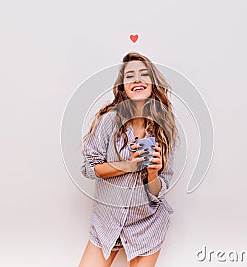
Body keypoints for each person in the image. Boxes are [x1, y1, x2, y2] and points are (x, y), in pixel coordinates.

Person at [79, 52, 179, 267]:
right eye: (130, 76)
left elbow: (158, 192)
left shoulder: (164, 128)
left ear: (152, 84)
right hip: (108, 223)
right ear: (123, 86)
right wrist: (128, 165)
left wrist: (153, 173)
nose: (137, 80)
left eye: (144, 74)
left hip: (146, 225)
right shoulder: (109, 121)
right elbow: (89, 168)